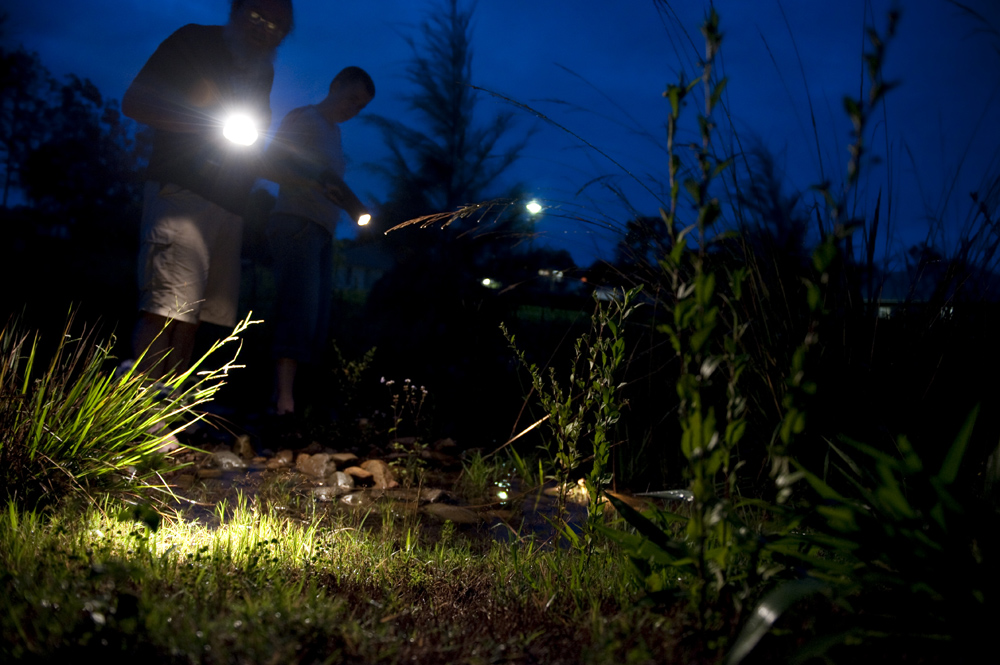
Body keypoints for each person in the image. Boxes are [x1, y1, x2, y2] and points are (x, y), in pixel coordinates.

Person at [122, 0, 294, 380]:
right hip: (181, 194)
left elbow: (252, 140)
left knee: (194, 315)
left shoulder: (262, 72)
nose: (264, 28)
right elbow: (134, 102)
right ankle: (140, 404)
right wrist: (207, 123)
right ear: (236, 10)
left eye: (277, 26)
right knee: (164, 307)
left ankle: (170, 405)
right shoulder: (193, 41)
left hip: (230, 206)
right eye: (256, 16)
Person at [264, 66, 376, 418]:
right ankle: (283, 402)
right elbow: (271, 161)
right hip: (297, 221)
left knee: (315, 316)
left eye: (360, 106)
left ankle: (292, 400)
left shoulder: (334, 133)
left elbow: (329, 183)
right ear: (335, 85)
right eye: (351, 98)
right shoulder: (305, 119)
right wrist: (311, 183)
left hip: (323, 229)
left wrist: (351, 207)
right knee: (297, 308)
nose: (353, 109)